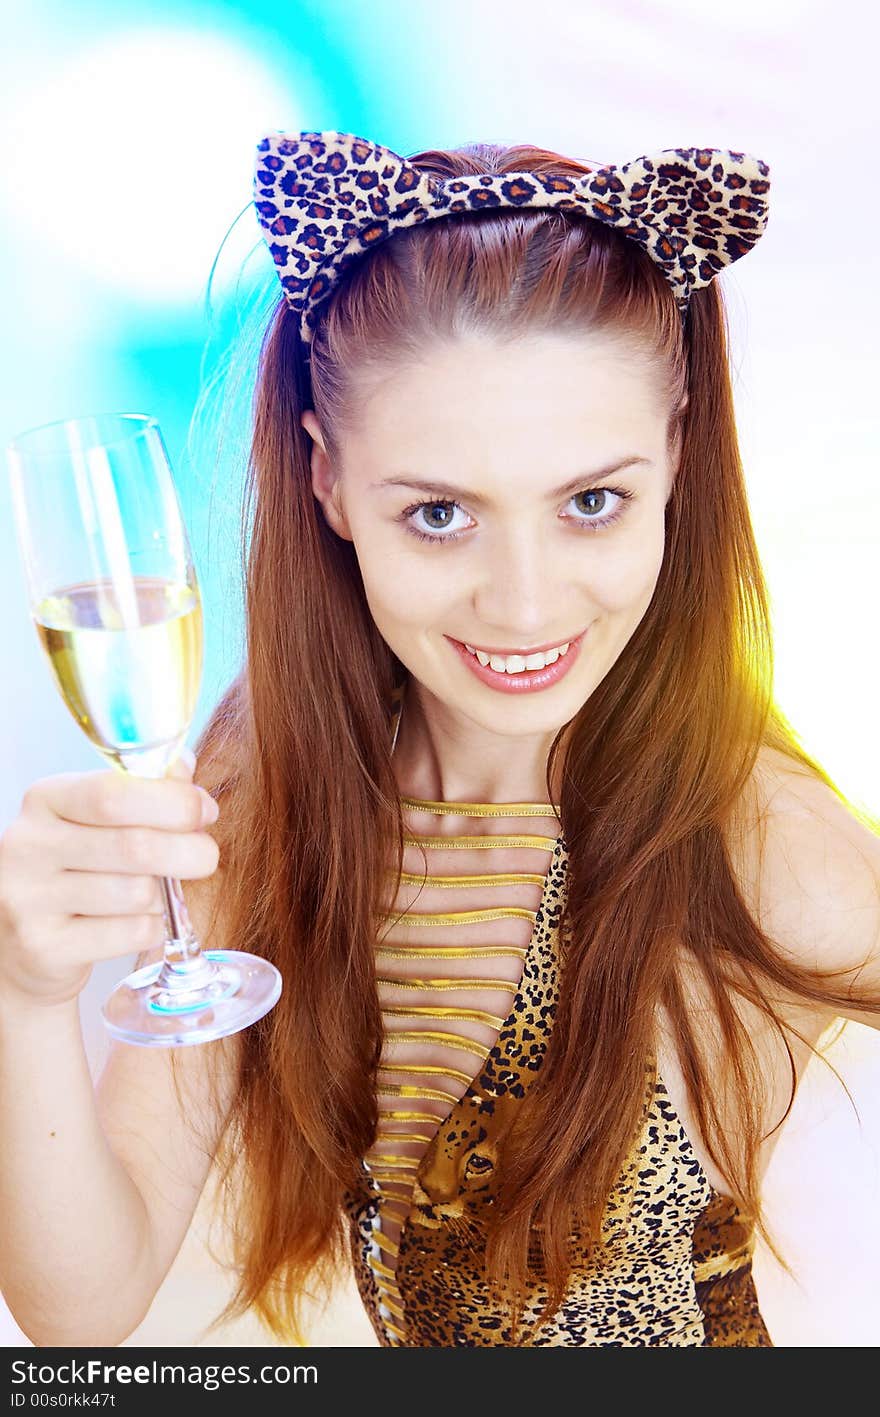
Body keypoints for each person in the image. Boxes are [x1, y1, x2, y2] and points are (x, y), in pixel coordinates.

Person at [1, 130, 879, 1350]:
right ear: (326, 482)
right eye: (437, 514)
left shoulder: (751, 838)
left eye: (590, 502)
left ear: (676, 458)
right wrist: (24, 995)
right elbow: (78, 1316)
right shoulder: (270, 783)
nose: (523, 604)